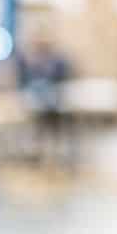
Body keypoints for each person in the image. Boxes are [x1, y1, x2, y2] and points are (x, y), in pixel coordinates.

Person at [17, 31, 75, 170]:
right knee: (38, 127)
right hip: (35, 103)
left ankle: (55, 156)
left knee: (54, 126)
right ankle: (38, 154)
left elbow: (64, 77)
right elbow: (23, 80)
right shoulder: (28, 60)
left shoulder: (59, 60)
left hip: (55, 104)